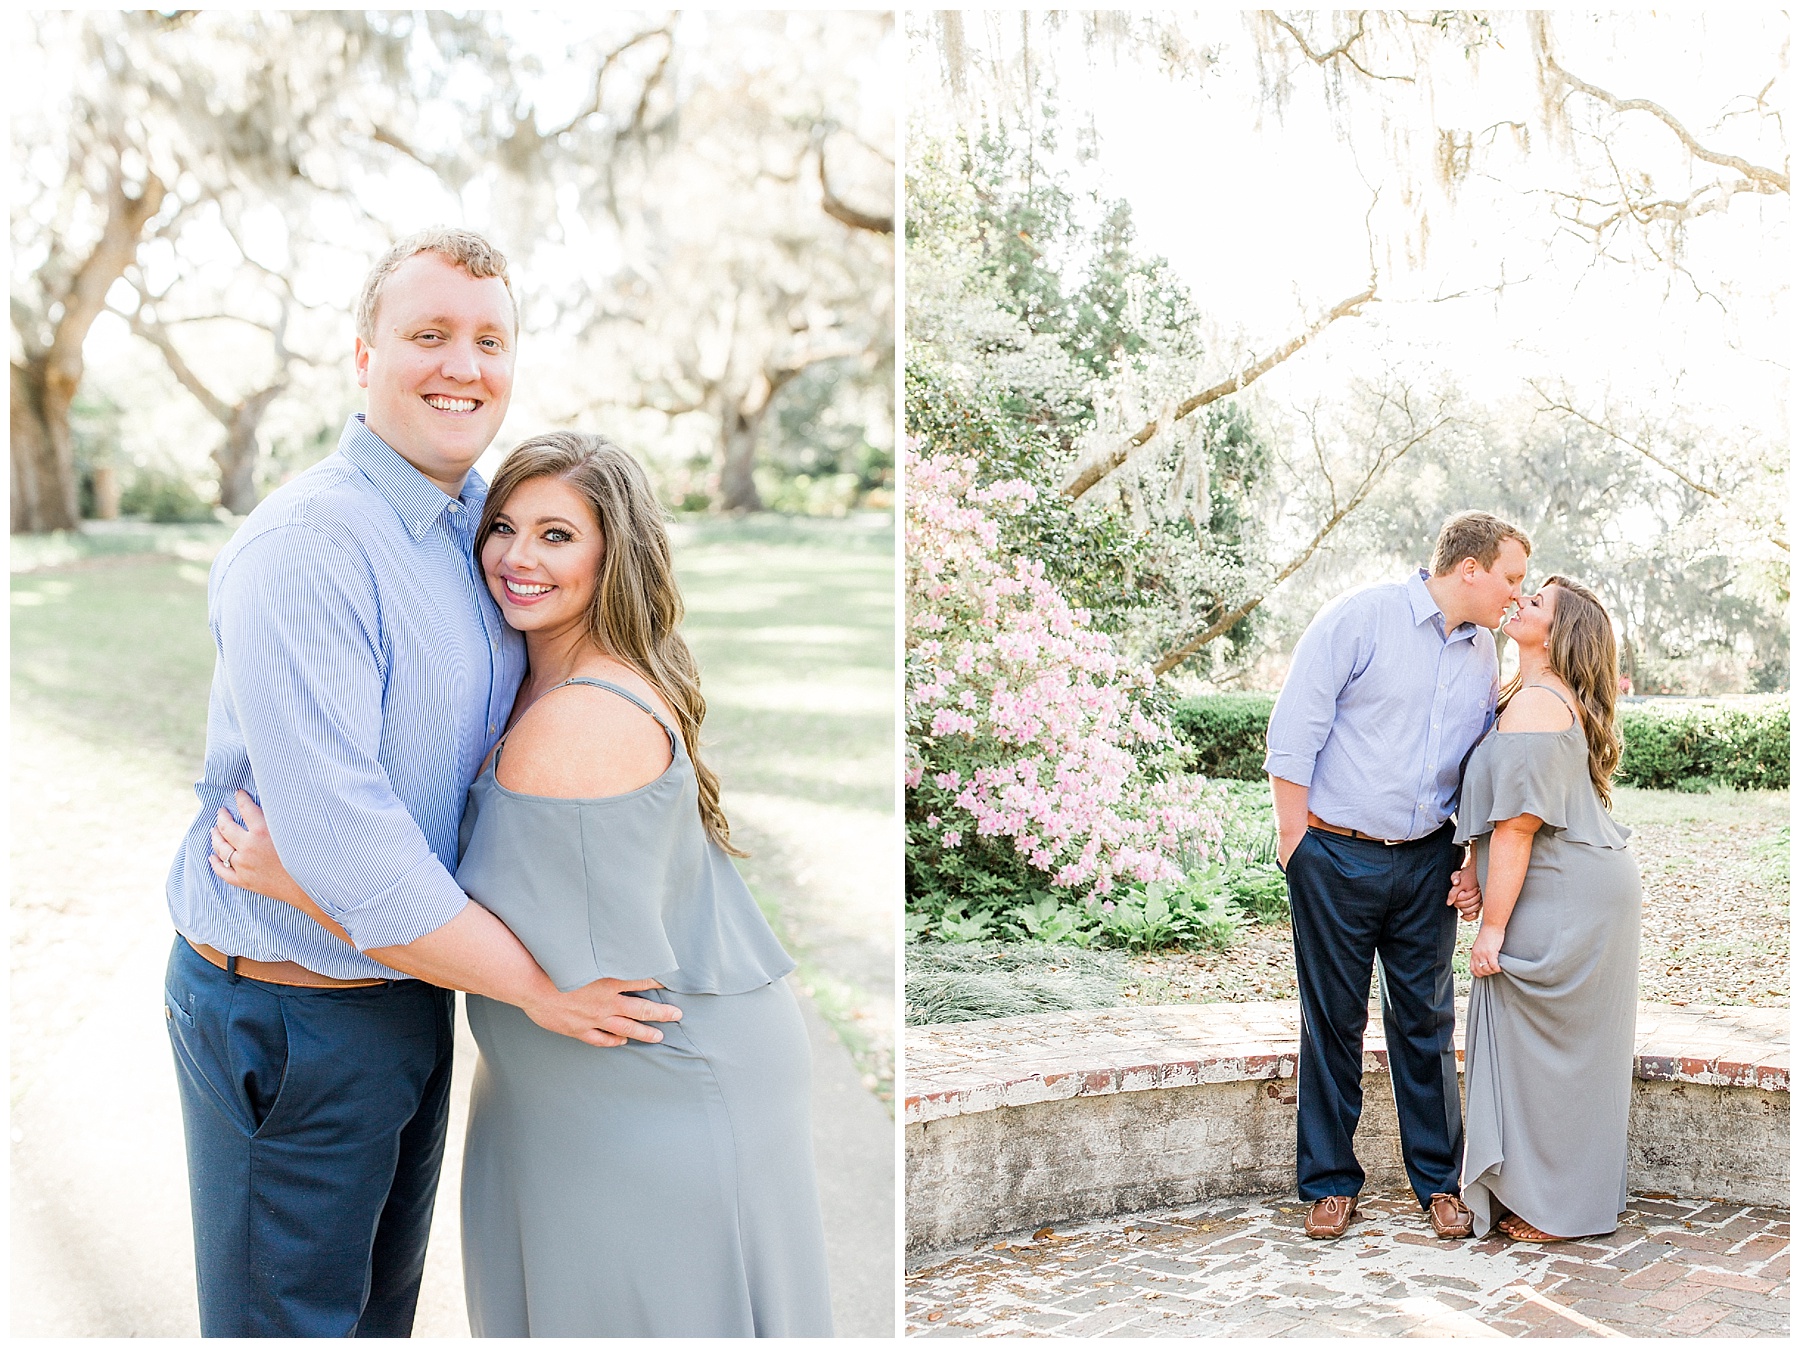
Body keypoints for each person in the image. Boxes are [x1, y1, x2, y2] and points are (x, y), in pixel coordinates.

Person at [162, 228, 679, 1338]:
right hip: (295, 1019)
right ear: (363, 355)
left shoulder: (481, 526)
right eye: (430, 334)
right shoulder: (311, 546)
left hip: (411, 995)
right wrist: (540, 990)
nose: (463, 365)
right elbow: (353, 853)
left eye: (489, 339)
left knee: (375, 1319)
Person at [211, 433, 835, 1337]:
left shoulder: (578, 722)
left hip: (646, 1077)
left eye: (556, 535)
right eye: (503, 526)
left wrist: (302, 874)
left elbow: (461, 911)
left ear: (614, 556)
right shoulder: (538, 682)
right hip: (576, 1076)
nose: (517, 557)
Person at [1264, 510, 1531, 1242]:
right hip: (1335, 855)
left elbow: (1478, 764)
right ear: (1469, 568)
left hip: (1426, 862)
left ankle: (1439, 1186)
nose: (1518, 592)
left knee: (1425, 1022)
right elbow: (1294, 731)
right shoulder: (1360, 618)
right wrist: (1298, 846)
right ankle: (1328, 1185)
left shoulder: (1483, 652)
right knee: (1333, 1023)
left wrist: (1470, 855)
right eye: (1511, 577)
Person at [1457, 577, 1640, 1242]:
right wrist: (1473, 871)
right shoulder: (1530, 697)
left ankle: (1560, 1207)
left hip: (1565, 893)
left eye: (1537, 603)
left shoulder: (1538, 703)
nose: (1522, 602)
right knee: (1547, 1051)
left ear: (1560, 634)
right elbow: (1503, 812)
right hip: (1565, 883)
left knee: (1553, 1052)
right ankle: (1548, 1193)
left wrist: (1493, 928)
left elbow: (1519, 827)